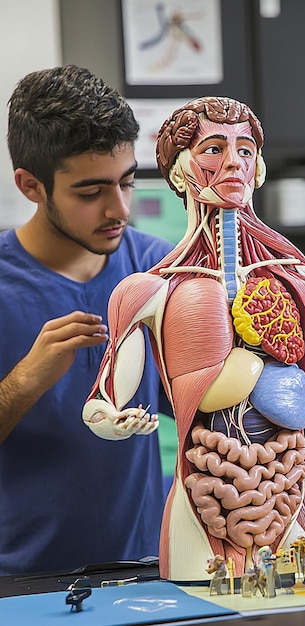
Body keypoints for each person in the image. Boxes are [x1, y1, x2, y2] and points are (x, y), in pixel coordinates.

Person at [82, 96, 305, 581]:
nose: (232, 163)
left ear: (260, 168)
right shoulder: (149, 292)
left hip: (285, 495)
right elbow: (103, 400)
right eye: (212, 148)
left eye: (244, 150)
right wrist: (110, 420)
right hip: (199, 498)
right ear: (179, 171)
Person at [0, 65, 174, 576]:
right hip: (20, 581)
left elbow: (209, 415)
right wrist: (26, 381)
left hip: (146, 567)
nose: (119, 208)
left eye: (127, 181)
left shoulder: (160, 269)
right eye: (90, 192)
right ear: (32, 186)